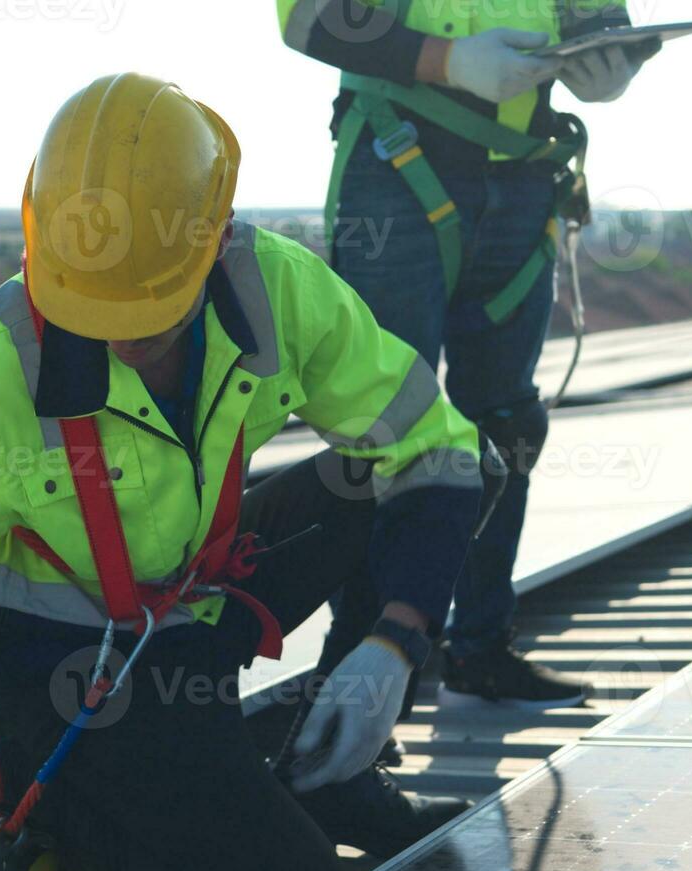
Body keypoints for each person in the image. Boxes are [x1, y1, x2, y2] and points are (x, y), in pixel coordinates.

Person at [0, 73, 488, 871]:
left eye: (146, 314)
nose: (118, 337)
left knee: (410, 476)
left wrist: (391, 647)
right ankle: (45, 779)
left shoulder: (275, 292)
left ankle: (332, 757)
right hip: (73, 688)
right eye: (93, 309)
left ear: (216, 239)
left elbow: (436, 450)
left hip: (188, 607)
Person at [278, 0, 658, 708]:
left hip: (523, 170)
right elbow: (308, 17)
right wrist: (448, 61)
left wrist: (606, 58)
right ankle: (358, 680)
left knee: (506, 419)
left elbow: (598, 16)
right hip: (399, 155)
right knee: (383, 423)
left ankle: (481, 648)